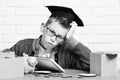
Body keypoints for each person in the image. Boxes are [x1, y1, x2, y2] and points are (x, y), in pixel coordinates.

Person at [2, 6, 91, 74]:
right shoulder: (23, 45)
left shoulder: (67, 54)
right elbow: (2, 58)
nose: (53, 39)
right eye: (52, 31)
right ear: (43, 27)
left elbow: (91, 63)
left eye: (60, 37)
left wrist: (70, 39)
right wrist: (22, 62)